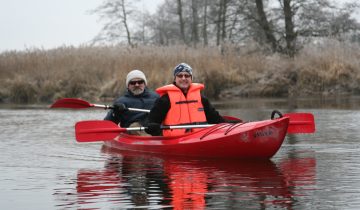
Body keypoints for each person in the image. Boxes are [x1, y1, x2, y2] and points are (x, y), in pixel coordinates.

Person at [145, 63, 229, 136]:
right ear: (175, 79)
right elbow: (151, 121)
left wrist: (229, 125)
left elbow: (215, 119)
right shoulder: (165, 100)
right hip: (174, 140)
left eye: (187, 75)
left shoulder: (202, 99)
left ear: (191, 79)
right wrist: (156, 130)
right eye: (180, 76)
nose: (183, 78)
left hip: (200, 137)